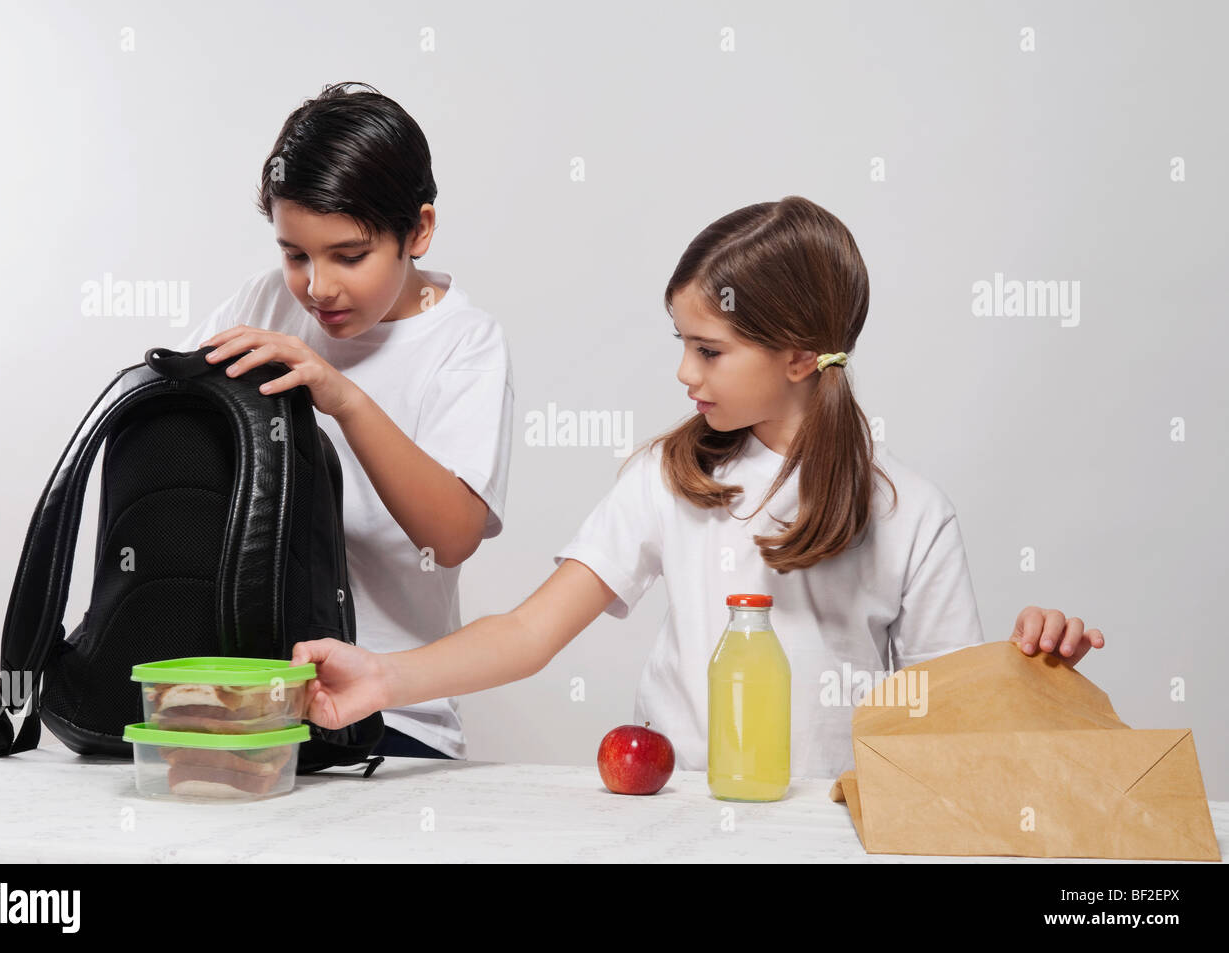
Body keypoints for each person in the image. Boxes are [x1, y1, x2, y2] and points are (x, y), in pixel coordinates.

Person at [289, 195, 1105, 777]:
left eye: (709, 350)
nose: (684, 372)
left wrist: (1033, 659)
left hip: (837, 829)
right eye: (681, 342)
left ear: (797, 355)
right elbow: (529, 632)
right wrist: (385, 679)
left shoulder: (910, 512)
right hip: (674, 820)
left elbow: (950, 713)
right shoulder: (670, 480)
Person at [175, 82, 513, 761]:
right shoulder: (265, 301)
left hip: (393, 719)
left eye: (348, 255)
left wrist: (344, 397)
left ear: (417, 230)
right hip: (249, 703)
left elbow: (451, 536)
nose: (318, 286)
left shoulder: (464, 343)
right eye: (295, 253)